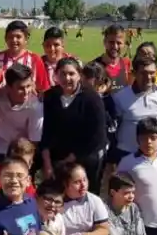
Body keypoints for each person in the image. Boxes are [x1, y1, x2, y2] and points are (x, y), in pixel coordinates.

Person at [104, 57, 157, 190]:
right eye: (143, 73)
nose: (148, 77)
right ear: (134, 73)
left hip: (156, 155)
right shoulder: (121, 97)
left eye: (152, 73)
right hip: (127, 154)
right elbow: (114, 129)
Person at [39, 59, 108, 193]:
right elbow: (45, 131)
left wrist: (69, 161)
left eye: (71, 74)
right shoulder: (50, 97)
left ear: (79, 75)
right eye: (63, 74)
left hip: (85, 158)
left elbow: (96, 137)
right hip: (57, 160)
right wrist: (47, 164)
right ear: (56, 75)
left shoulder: (92, 99)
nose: (67, 78)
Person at [0, 64, 44, 163]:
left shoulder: (36, 107)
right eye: (20, 88)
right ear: (8, 87)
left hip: (20, 153)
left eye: (28, 86)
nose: (26, 92)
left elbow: (34, 141)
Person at [0, 20, 50, 94]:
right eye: (10, 37)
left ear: (26, 39)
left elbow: (43, 89)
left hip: (28, 104)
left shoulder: (35, 59)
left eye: (18, 37)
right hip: (1, 104)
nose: (14, 40)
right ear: (5, 39)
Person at [91, 25, 133, 93]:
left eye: (119, 43)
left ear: (124, 44)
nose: (115, 47)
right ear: (104, 42)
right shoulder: (93, 67)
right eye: (111, 42)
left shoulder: (127, 63)